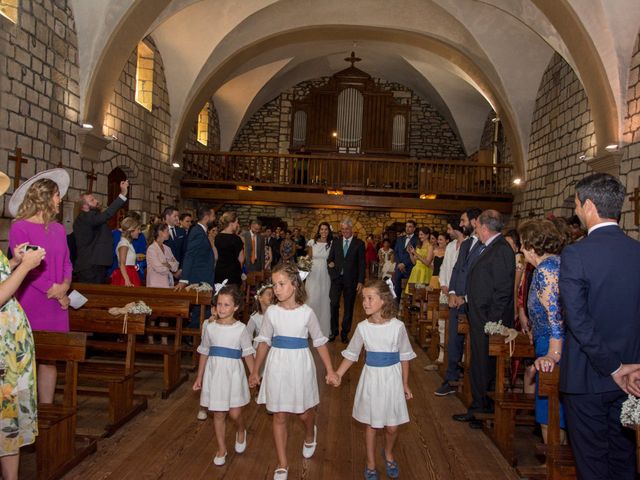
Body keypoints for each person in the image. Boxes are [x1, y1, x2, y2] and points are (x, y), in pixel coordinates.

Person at [559, 173, 640, 478]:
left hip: (588, 378)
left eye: (578, 204)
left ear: (590, 205)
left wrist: (613, 366)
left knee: (592, 463)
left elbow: (578, 321)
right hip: (633, 378)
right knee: (624, 461)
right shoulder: (637, 252)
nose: (576, 211)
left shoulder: (576, 254)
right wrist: (631, 367)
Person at [248, 263, 338, 480]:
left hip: (299, 364)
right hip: (277, 364)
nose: (276, 289)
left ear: (295, 285)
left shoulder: (307, 313)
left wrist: (330, 370)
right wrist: (255, 370)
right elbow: (263, 342)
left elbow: (319, 342)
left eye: (281, 284)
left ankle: (310, 432)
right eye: (274, 284)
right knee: (279, 414)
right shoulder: (271, 312)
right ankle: (282, 463)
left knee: (303, 412)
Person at [330, 279, 415, 480]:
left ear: (384, 300)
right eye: (363, 299)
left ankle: (388, 452)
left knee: (392, 426)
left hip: (392, 379)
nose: (365, 303)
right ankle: (370, 462)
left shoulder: (398, 327)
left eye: (370, 298)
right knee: (372, 424)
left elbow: (405, 356)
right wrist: (338, 374)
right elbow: (351, 354)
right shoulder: (362, 327)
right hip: (372, 379)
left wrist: (404, 383)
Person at [8, 169, 73, 405]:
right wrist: (54, 290)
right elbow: (26, 269)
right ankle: (25, 410)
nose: (60, 199)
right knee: (26, 359)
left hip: (57, 303)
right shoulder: (20, 227)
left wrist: (64, 286)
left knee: (50, 359)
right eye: (57, 195)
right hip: (32, 300)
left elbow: (67, 261)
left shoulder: (58, 229)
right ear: (44, 197)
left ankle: (46, 409)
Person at [0, 170, 47, 480]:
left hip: (10, 353)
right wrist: (26, 268)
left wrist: (14, 263)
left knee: (9, 422)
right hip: (2, 354)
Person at [452, 210, 515, 428]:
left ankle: (483, 408)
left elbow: (503, 290)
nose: (475, 228)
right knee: (478, 363)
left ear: (485, 228)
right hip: (479, 315)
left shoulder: (501, 250)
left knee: (485, 365)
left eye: (477, 225)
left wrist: (492, 321)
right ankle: (477, 406)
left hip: (488, 320)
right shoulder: (487, 247)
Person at [192, 285, 255, 466]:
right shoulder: (210, 327)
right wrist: (199, 377)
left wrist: (253, 374)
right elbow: (204, 352)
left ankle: (241, 430)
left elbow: (248, 353)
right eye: (219, 304)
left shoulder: (241, 329)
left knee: (235, 414)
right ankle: (221, 448)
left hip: (233, 374)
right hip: (215, 374)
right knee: (218, 413)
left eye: (227, 305)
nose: (221, 308)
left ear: (236, 307)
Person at [518, 220, 566, 443]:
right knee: (553, 409)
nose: (520, 249)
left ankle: (553, 466)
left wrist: (553, 354)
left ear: (532, 244)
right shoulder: (553, 264)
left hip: (551, 344)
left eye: (522, 244)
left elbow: (555, 314)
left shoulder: (546, 270)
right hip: (545, 338)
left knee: (549, 411)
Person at [435, 208, 480, 396]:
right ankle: (451, 379)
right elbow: (455, 270)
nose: (460, 224)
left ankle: (472, 384)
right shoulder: (465, 244)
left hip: (473, 301)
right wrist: (451, 291)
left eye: (463, 220)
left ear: (475, 221)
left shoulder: (480, 245)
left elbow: (477, 275)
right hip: (456, 299)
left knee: (473, 345)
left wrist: (465, 296)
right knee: (453, 340)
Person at [73, 180, 129, 283]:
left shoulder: (91, 217)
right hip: (90, 266)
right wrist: (122, 194)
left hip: (96, 264)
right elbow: (107, 214)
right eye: (92, 200)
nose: (97, 201)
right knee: (90, 297)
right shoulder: (85, 217)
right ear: (84, 207)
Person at [176, 206, 216, 328]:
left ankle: (198, 335)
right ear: (207, 217)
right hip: (199, 278)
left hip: (204, 276)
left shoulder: (201, 231)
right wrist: (184, 279)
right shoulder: (197, 232)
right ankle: (192, 335)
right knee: (200, 310)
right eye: (213, 215)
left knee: (203, 310)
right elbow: (190, 255)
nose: (214, 218)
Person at [327, 219, 366, 343]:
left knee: (349, 308)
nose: (345, 232)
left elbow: (362, 264)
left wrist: (360, 281)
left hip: (352, 281)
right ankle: (334, 331)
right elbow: (329, 260)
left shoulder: (359, 243)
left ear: (352, 230)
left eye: (347, 229)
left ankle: (345, 333)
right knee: (333, 304)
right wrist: (331, 268)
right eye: (343, 230)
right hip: (336, 279)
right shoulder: (336, 242)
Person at [146, 222, 180, 345]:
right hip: (155, 284)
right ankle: (150, 339)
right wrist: (168, 265)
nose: (168, 234)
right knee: (153, 313)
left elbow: (176, 265)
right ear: (160, 232)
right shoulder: (151, 249)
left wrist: (168, 265)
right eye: (167, 231)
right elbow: (158, 267)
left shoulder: (167, 248)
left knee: (165, 313)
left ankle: (164, 339)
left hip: (167, 284)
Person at [305, 222, 333, 337]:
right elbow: (309, 258)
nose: (324, 232)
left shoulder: (332, 243)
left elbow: (334, 257)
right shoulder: (312, 242)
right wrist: (303, 263)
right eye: (322, 229)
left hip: (325, 274)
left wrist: (332, 263)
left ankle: (322, 329)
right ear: (319, 230)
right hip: (313, 273)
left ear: (328, 231)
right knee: (311, 299)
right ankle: (309, 329)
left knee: (324, 299)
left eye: (326, 229)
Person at [215, 212, 245, 286]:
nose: (237, 225)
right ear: (231, 223)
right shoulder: (236, 239)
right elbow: (241, 259)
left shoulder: (217, 237)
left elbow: (216, 257)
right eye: (236, 222)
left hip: (219, 271)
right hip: (233, 273)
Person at [111, 217, 142, 287]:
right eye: (138, 229)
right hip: (126, 274)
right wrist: (127, 280)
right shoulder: (124, 244)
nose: (139, 232)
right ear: (131, 230)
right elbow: (122, 264)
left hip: (131, 273)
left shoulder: (128, 243)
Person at [392, 220, 418, 302]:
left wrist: (404, 264)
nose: (407, 228)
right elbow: (395, 252)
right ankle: (395, 309)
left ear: (414, 228)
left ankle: (409, 309)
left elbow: (416, 254)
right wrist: (399, 263)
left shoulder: (417, 240)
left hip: (410, 268)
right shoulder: (400, 239)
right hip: (399, 268)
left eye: (410, 226)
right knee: (396, 289)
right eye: (406, 226)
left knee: (410, 290)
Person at [404, 227, 434, 294]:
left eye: (422, 234)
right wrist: (410, 253)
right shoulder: (418, 245)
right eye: (419, 234)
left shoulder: (430, 246)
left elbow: (427, 263)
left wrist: (416, 253)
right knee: (414, 295)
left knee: (422, 295)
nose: (420, 236)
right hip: (416, 271)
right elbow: (414, 262)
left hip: (424, 272)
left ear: (427, 235)